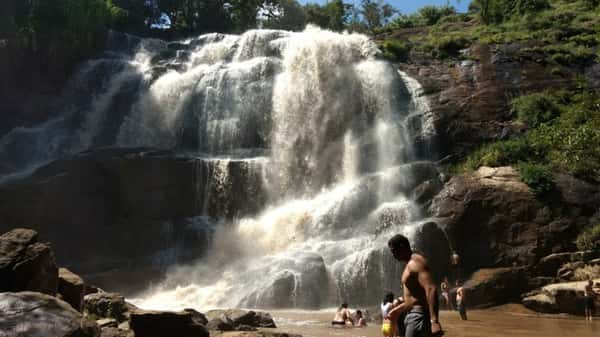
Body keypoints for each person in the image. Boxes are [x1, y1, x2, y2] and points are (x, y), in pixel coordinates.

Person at [386, 234, 442, 337]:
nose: (393, 255)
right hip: (412, 315)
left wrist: (434, 321)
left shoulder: (415, 262)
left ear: (402, 247)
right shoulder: (410, 264)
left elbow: (430, 288)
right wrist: (397, 310)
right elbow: (415, 297)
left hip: (418, 316)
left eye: (394, 251)